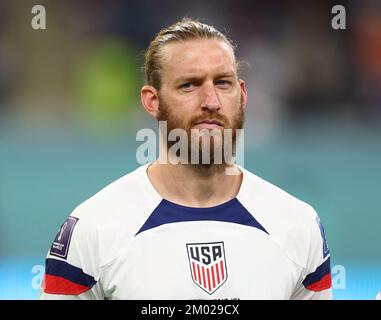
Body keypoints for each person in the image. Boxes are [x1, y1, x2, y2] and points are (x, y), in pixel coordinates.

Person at [40, 18, 332, 300]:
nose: (211, 101)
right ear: (152, 101)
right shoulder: (93, 229)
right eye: (189, 85)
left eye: (223, 83)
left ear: (242, 94)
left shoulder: (298, 226)